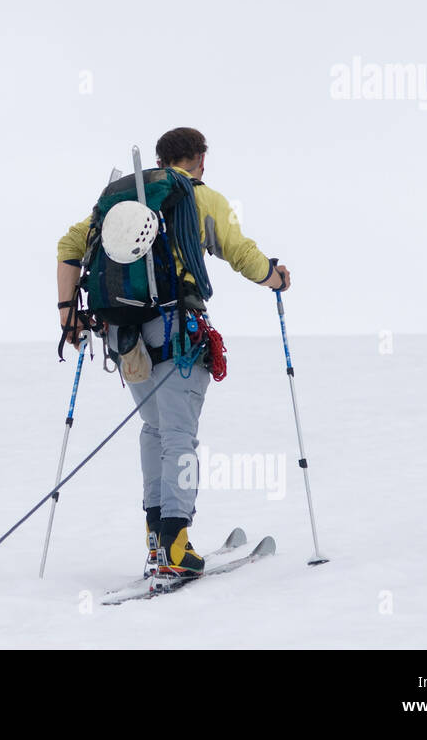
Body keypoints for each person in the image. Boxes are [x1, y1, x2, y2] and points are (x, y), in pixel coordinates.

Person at [55, 127, 290, 577]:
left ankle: (155, 540)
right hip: (176, 331)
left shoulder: (123, 201)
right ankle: (176, 545)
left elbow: (70, 246)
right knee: (179, 436)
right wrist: (274, 277)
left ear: (161, 159)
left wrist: (68, 314)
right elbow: (239, 252)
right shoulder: (202, 198)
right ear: (200, 159)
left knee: (155, 431)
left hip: (123, 336)